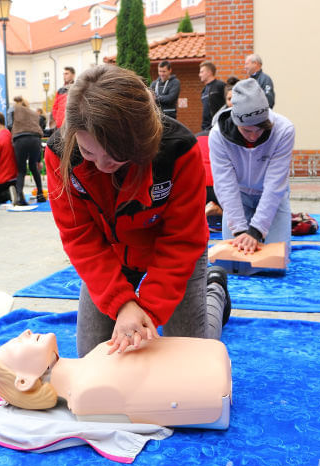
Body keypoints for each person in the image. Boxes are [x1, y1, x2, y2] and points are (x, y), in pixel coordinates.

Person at [45, 65, 231, 358]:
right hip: (113, 255)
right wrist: (122, 304)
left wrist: (148, 311)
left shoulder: (179, 150)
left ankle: (215, 290)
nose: (102, 165)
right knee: (92, 355)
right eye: (89, 152)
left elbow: (182, 239)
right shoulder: (60, 154)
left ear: (140, 141)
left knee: (191, 352)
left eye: (116, 155)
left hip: (172, 252)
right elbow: (79, 236)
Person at [0, 330, 231, 428]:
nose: (25, 332)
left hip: (209, 361)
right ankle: (215, 290)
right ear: (24, 381)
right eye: (15, 344)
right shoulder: (85, 395)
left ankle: (214, 290)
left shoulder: (98, 353)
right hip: (210, 383)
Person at [209, 78, 295, 272]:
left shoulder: (284, 130)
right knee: (234, 267)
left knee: (274, 266)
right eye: (247, 130)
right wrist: (240, 230)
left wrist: (256, 231)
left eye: (260, 129)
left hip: (273, 196)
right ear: (235, 120)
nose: (254, 135)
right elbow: (225, 184)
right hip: (238, 195)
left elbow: (275, 185)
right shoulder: (218, 136)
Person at [11, 96, 45, 206]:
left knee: (21, 170)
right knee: (33, 167)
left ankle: (20, 198)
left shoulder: (14, 109)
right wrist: (39, 160)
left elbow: (10, 126)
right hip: (35, 139)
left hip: (20, 140)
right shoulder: (34, 114)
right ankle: (40, 195)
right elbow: (38, 134)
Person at [0, 111, 18, 204]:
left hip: (1, 179)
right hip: (13, 177)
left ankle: (7, 195)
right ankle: (11, 193)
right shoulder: (9, 134)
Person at [199, 61, 226, 132]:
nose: (199, 75)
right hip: (206, 127)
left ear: (209, 72)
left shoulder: (220, 85)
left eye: (202, 72)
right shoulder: (204, 90)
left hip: (219, 126)